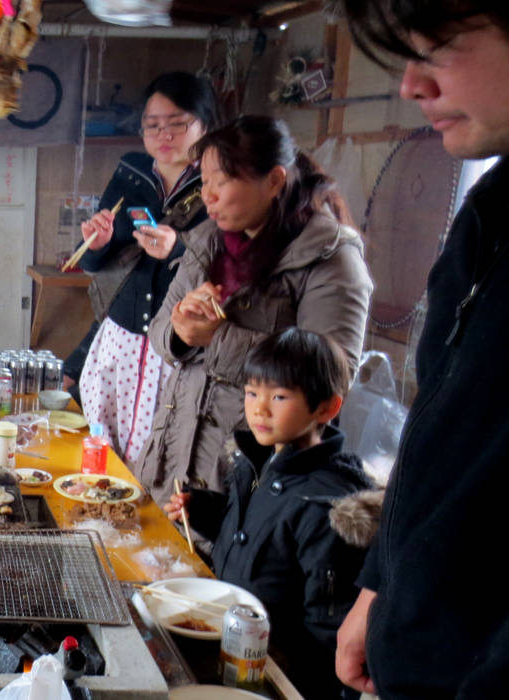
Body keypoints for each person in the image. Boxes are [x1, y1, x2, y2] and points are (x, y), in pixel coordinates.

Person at [333, 1, 509, 695]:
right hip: (418, 648)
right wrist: (379, 588)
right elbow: (445, 444)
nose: (410, 86)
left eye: (434, 47)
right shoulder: (488, 212)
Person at [137, 115, 373, 512]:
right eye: (205, 180)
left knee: (227, 570)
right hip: (172, 461)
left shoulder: (330, 258)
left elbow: (332, 374)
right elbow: (160, 330)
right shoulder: (207, 242)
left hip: (252, 478)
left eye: (222, 181)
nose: (207, 195)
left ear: (275, 181)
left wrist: (217, 337)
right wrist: (180, 329)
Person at [164, 328, 379, 699]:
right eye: (251, 393)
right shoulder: (257, 461)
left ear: (326, 408)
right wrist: (200, 509)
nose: (259, 409)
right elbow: (251, 531)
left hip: (280, 674)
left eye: (278, 396)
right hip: (233, 643)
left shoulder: (326, 506)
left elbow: (329, 628)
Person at [71, 71, 219, 464]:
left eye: (177, 124)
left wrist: (177, 250)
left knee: (162, 449)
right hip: (121, 332)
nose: (163, 136)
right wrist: (96, 245)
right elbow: (90, 262)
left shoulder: (216, 182)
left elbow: (229, 260)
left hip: (174, 343)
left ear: (205, 124)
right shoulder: (131, 173)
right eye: (152, 126)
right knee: (105, 441)